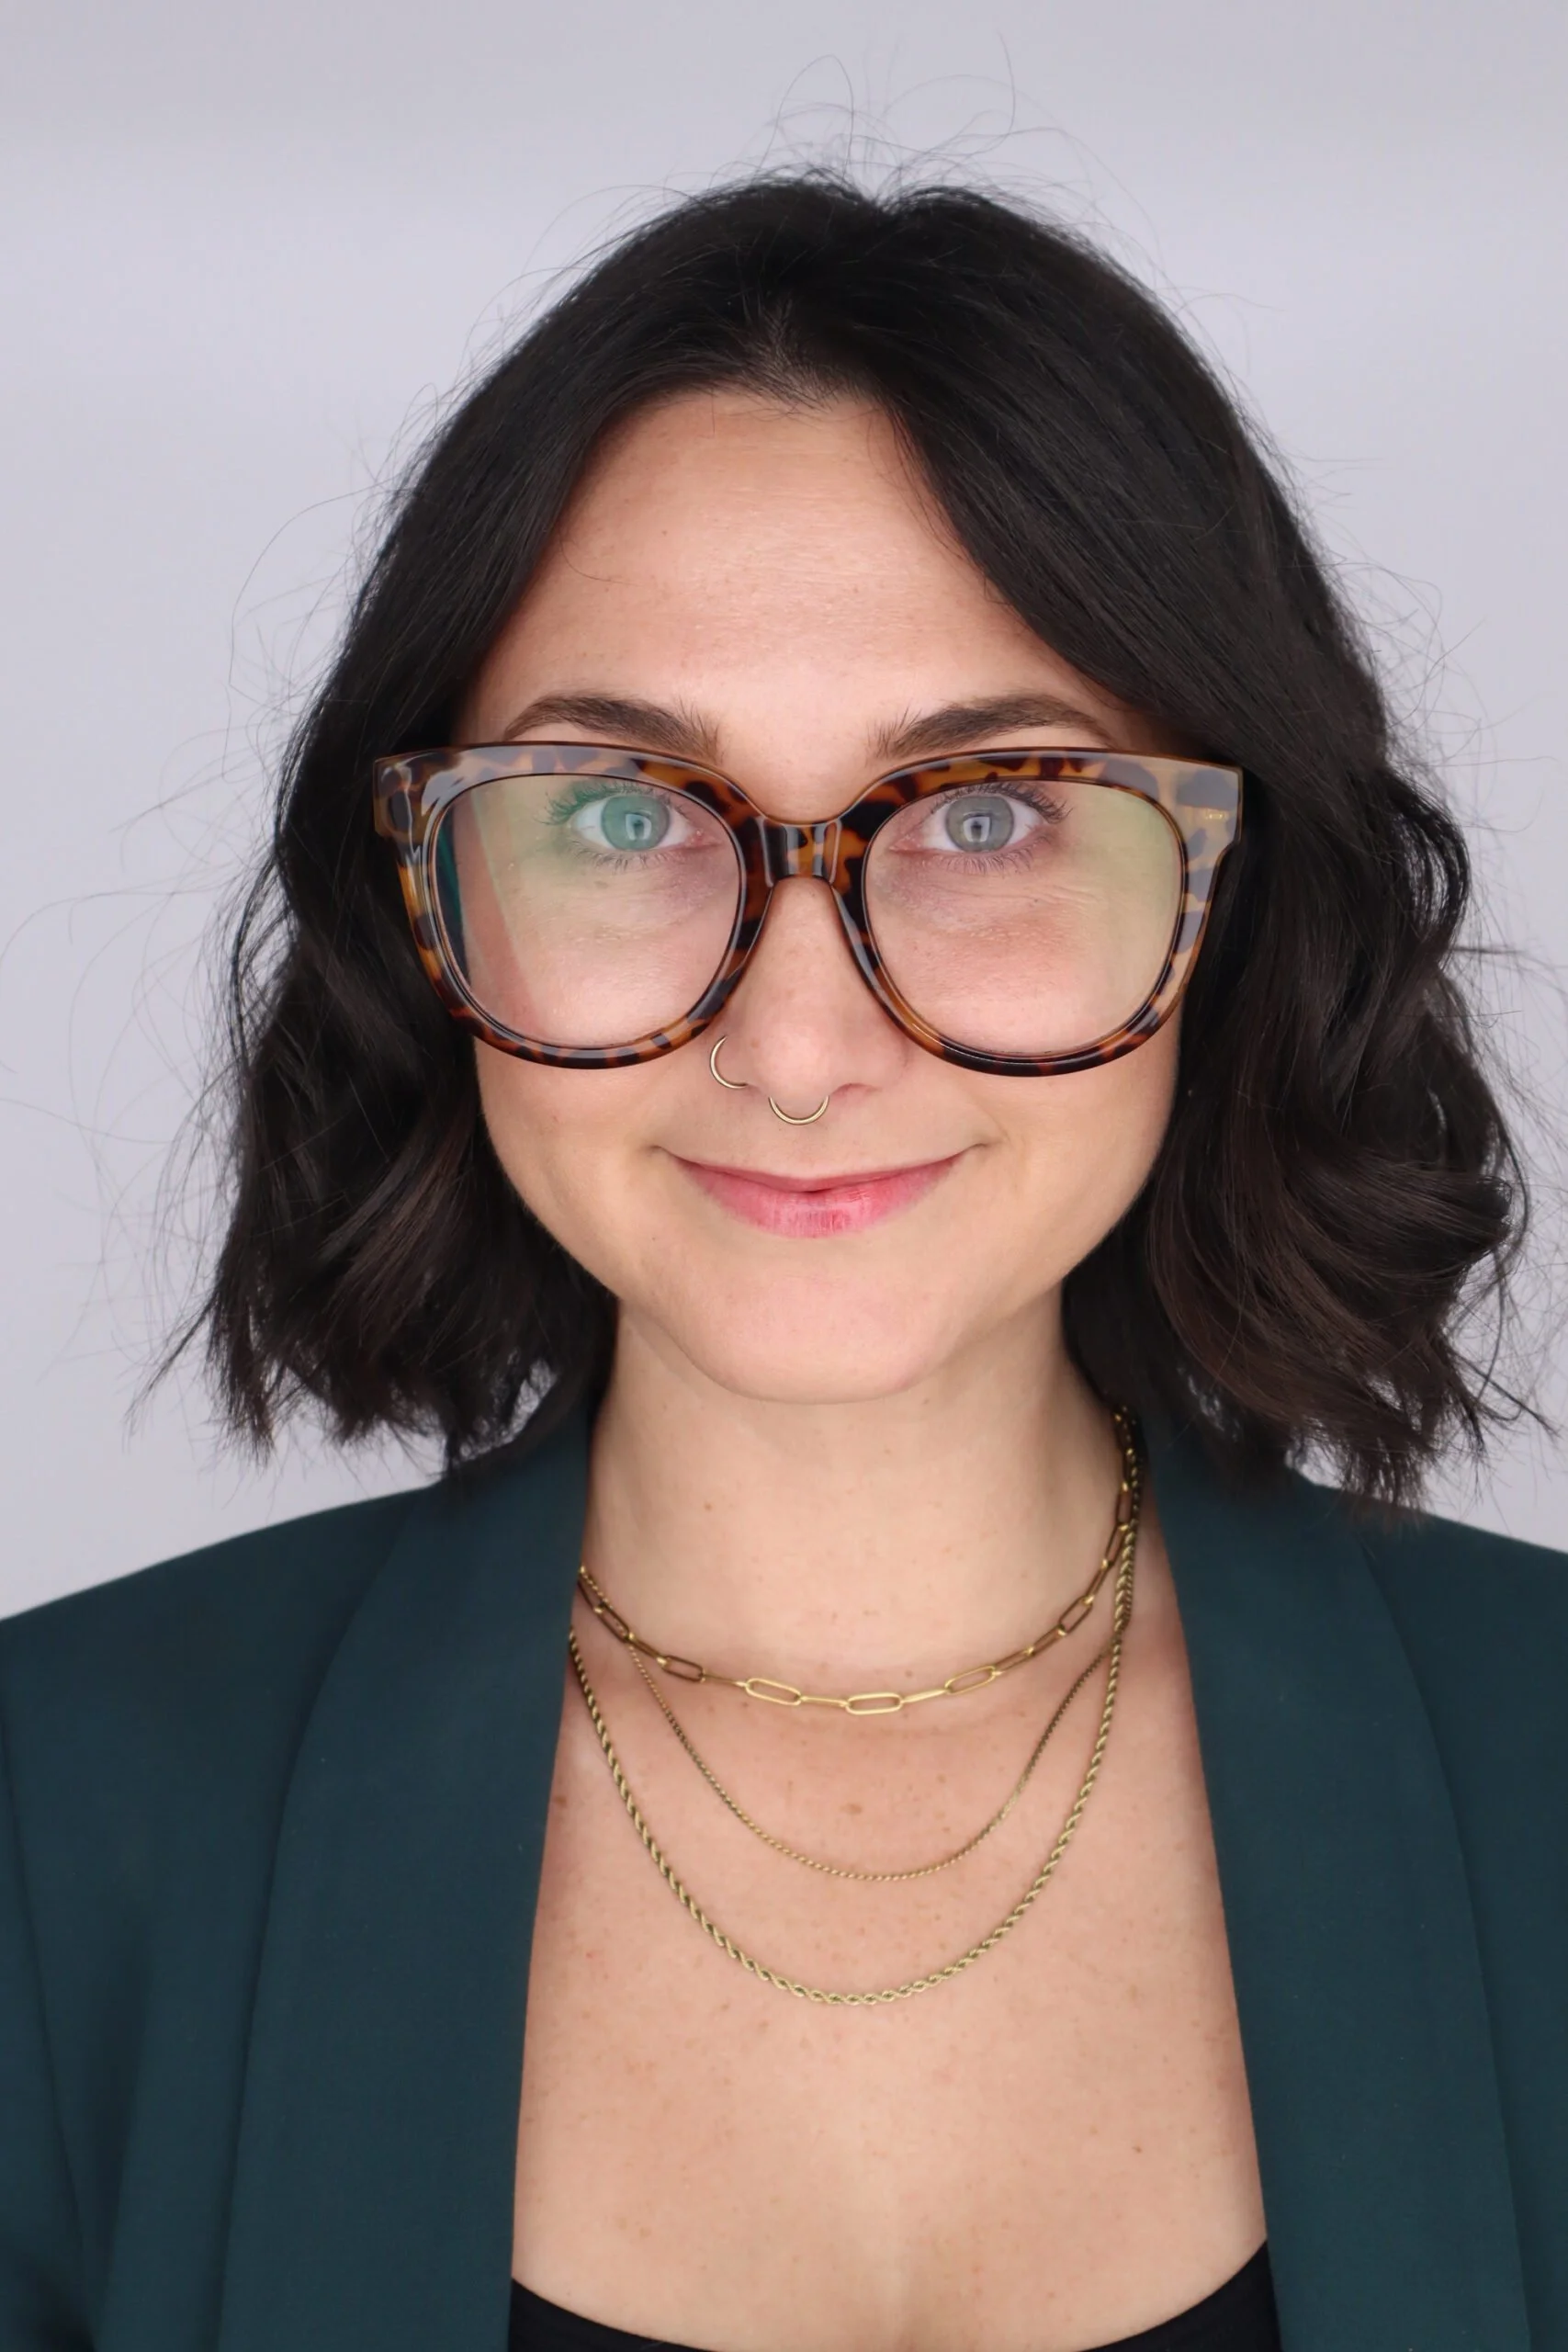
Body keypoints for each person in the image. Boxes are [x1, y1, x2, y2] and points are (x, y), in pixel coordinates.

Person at [1, 173, 1562, 2352]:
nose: (802, 1040)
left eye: (991, 810)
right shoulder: (46, 1827)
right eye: (629, 817)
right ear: (425, 905)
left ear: (1230, 898)